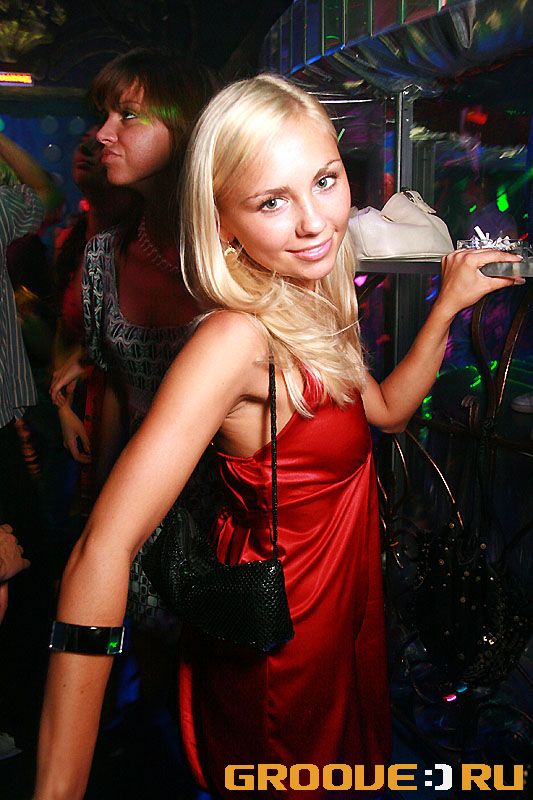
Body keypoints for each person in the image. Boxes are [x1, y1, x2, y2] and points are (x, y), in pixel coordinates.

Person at [35, 75, 524, 800]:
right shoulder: (234, 338)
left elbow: (387, 412)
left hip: (342, 597)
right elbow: (101, 550)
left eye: (325, 181)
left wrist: (447, 304)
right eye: (271, 201)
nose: (315, 223)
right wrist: (58, 787)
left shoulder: (316, 290)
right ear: (222, 221)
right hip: (281, 620)